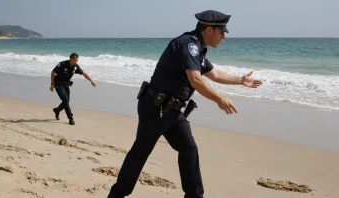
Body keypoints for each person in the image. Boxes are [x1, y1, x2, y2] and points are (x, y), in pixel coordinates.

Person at [107, 10, 263, 198]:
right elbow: (195, 80)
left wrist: (240, 80)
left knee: (189, 149)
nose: (223, 37)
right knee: (140, 152)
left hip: (172, 110)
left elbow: (214, 74)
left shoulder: (198, 47)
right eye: (222, 32)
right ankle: (116, 195)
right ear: (209, 29)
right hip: (156, 107)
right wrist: (219, 99)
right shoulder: (188, 44)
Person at [50, 53, 96, 125]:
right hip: (58, 84)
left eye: (77, 60)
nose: (76, 62)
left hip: (66, 84)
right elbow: (53, 73)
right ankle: (70, 118)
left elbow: (84, 73)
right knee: (65, 100)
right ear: (70, 59)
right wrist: (52, 84)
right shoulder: (62, 64)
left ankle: (57, 110)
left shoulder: (75, 67)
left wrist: (91, 80)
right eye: (75, 60)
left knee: (66, 101)